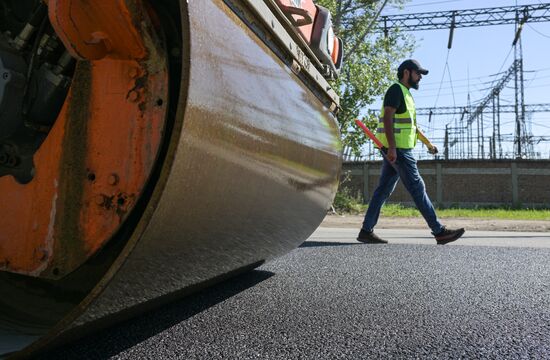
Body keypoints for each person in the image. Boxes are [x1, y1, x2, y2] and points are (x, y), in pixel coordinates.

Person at [357, 59, 465, 245]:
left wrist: (428, 144)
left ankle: (366, 231)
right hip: (398, 150)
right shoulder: (396, 90)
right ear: (407, 73)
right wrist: (391, 148)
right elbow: (388, 118)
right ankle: (439, 231)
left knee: (382, 190)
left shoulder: (406, 94)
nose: (420, 77)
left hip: (399, 149)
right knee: (417, 188)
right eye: (418, 73)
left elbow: (412, 126)